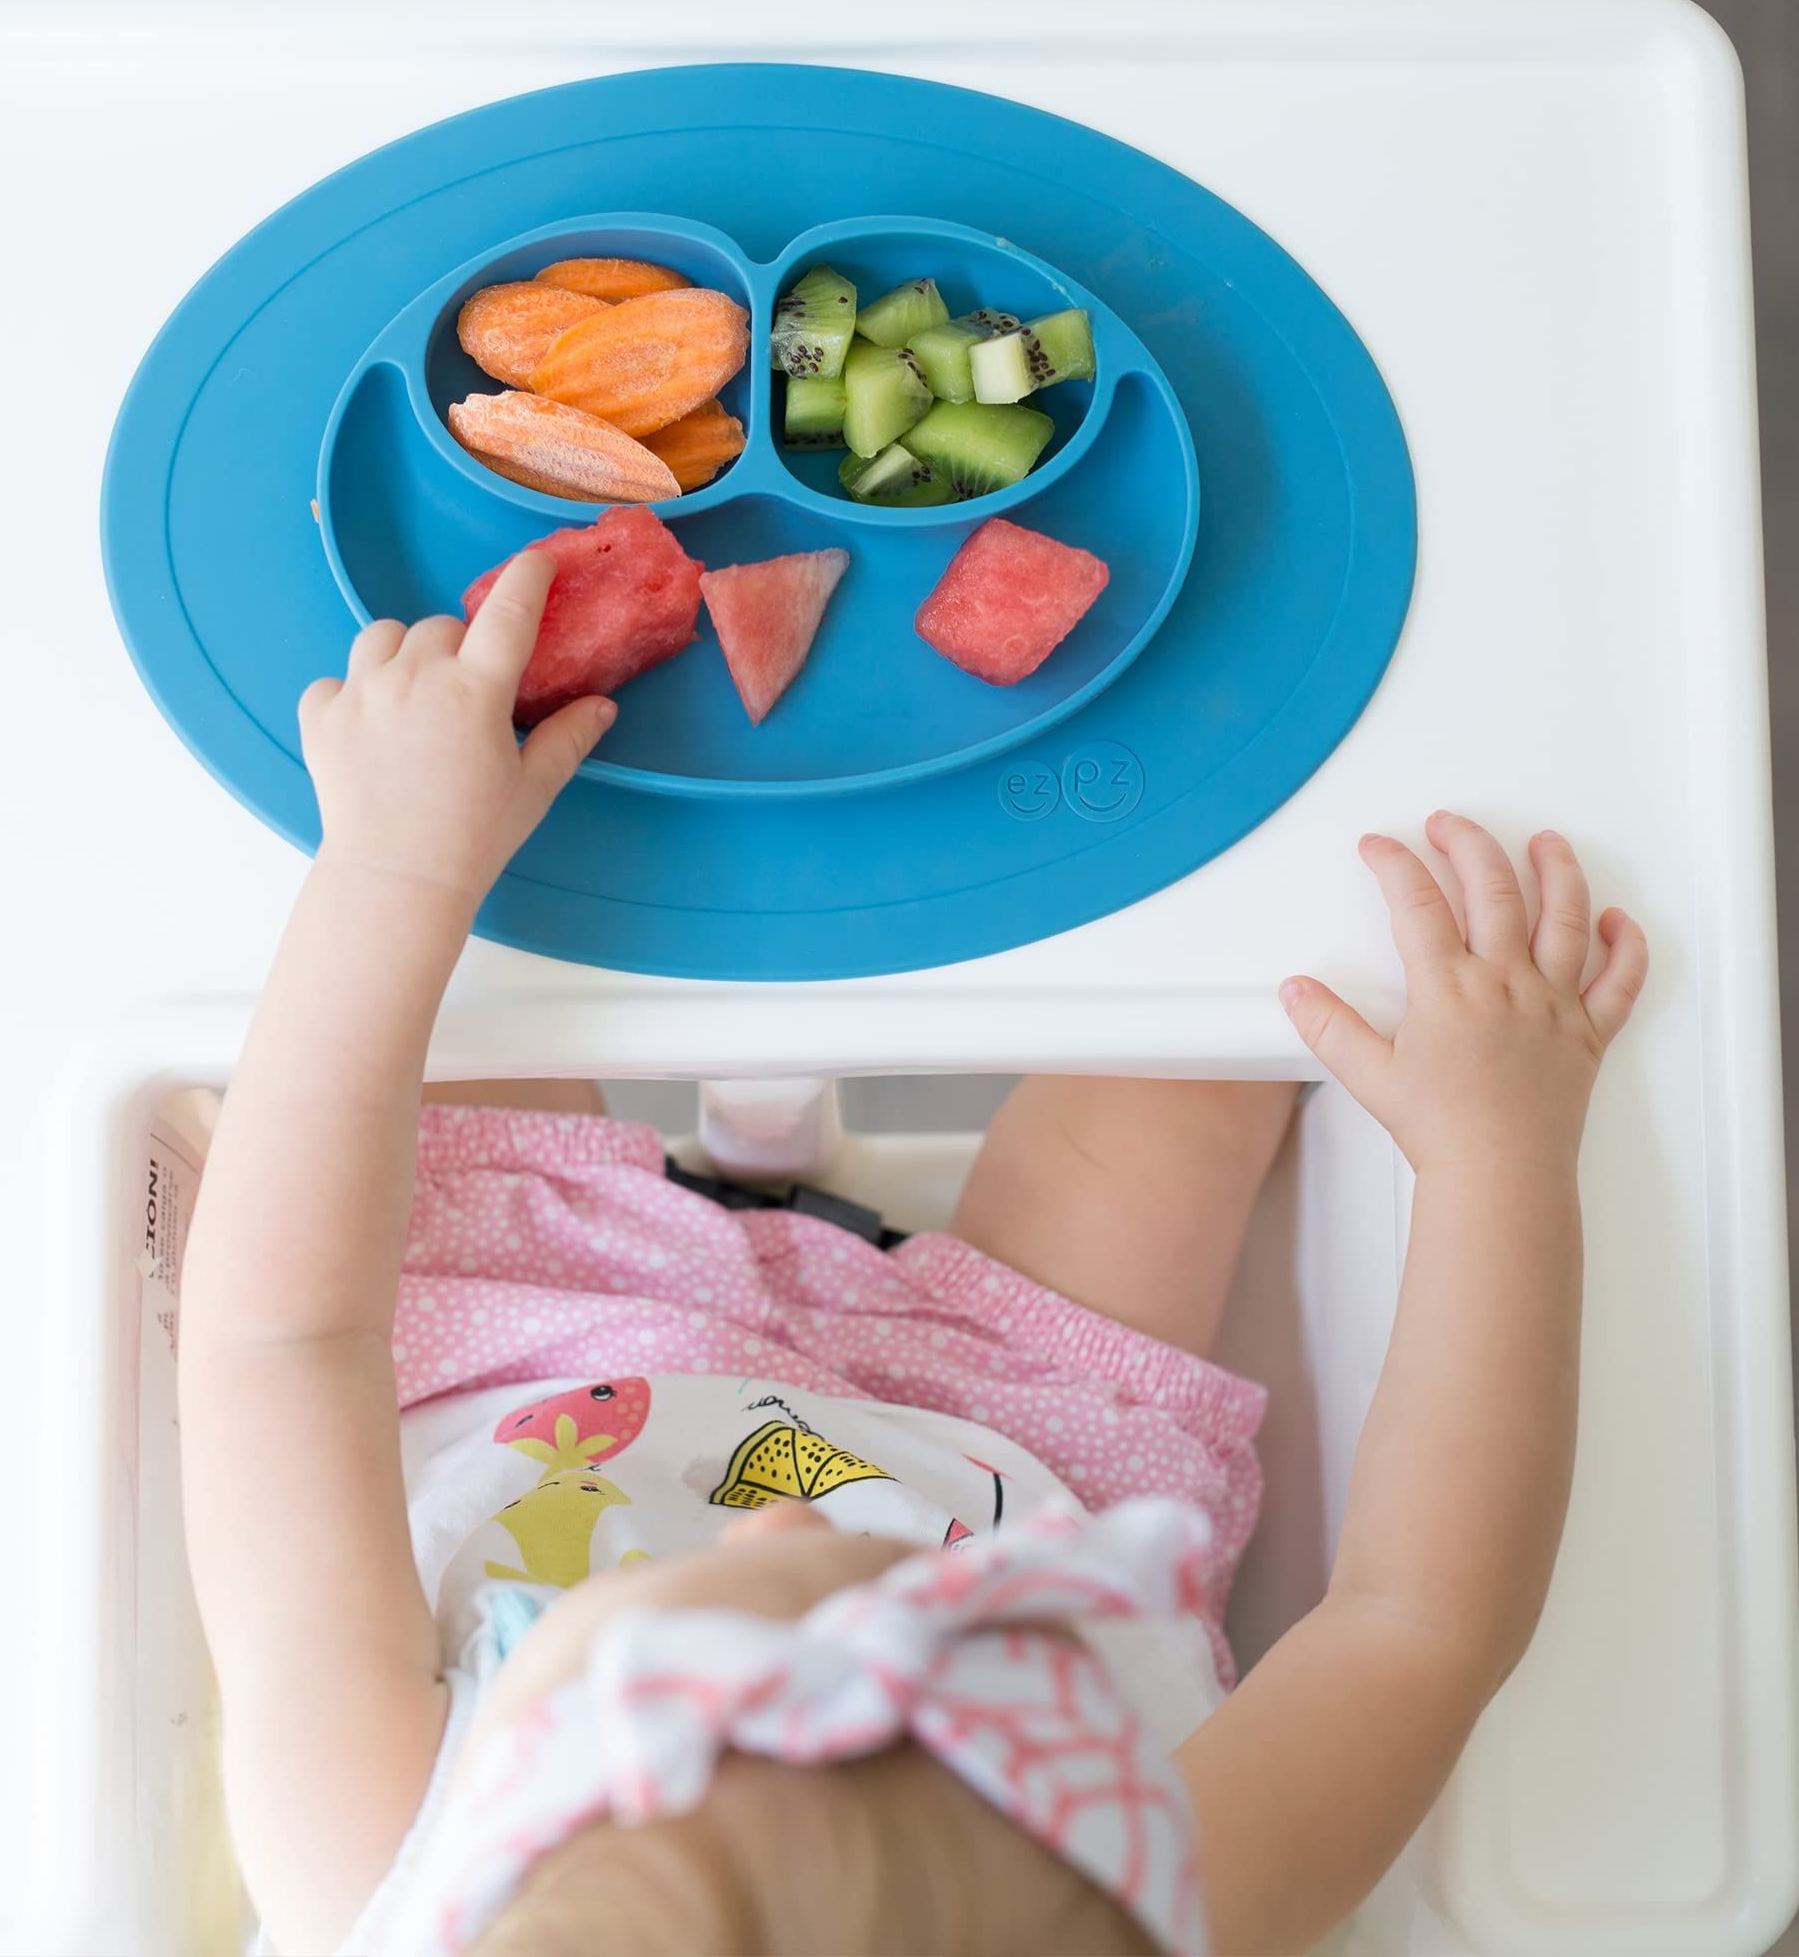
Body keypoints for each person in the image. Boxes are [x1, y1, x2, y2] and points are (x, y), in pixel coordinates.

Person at [178, 554, 1647, 1955]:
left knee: (461, 983)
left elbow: (282, 1344)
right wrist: (1498, 1158)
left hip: (548, 1347)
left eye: (677, 1670)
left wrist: (394, 869)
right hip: (1019, 1448)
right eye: (923, 1657)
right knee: (1235, 1021)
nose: (794, 1525)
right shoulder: (1152, 1903)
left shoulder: (372, 1849)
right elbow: (1421, 1621)